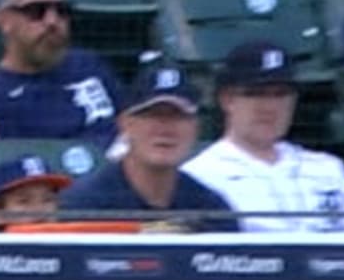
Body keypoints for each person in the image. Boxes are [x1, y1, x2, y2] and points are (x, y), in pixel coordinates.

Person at [182, 41, 344, 232]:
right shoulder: (199, 176)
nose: (270, 107)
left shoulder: (328, 168)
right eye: (257, 94)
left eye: (281, 94)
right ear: (228, 100)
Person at [60, 63, 237, 225]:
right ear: (125, 124)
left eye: (178, 116)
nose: (165, 129)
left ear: (195, 127)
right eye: (152, 115)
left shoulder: (211, 210)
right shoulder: (84, 206)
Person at [0, 0, 120, 148]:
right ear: (4, 21)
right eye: (37, 11)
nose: (52, 21)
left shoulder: (88, 64)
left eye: (61, 10)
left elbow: (128, 121)